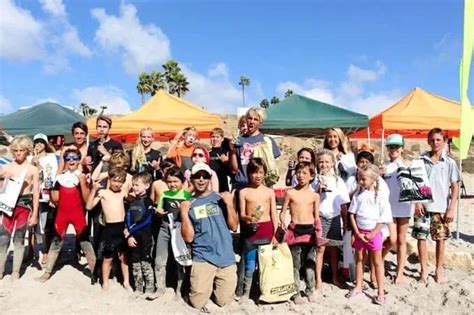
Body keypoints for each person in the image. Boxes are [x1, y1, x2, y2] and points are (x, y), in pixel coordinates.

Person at [180, 163, 238, 311]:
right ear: (191, 179)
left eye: (205, 177)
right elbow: (188, 238)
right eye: (197, 176)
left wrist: (230, 205)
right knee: (197, 303)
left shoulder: (220, 198)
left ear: (209, 179)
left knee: (223, 301)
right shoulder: (189, 204)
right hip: (203, 256)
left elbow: (234, 226)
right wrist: (184, 214)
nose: (201, 180)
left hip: (225, 256)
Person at [35, 148, 96, 283]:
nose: (71, 161)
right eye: (68, 158)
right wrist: (50, 189)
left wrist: (82, 183)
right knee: (56, 242)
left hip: (78, 215)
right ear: (65, 161)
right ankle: (47, 272)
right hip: (62, 214)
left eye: (74, 158)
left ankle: (94, 272)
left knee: (85, 243)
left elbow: (87, 200)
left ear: (79, 160)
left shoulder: (83, 177)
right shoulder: (60, 178)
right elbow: (55, 200)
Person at [412, 128, 460, 284]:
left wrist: (451, 208)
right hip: (423, 206)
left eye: (438, 140)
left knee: (440, 239)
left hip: (441, 207)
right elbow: (416, 183)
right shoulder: (420, 161)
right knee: (421, 238)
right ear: (428, 141)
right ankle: (424, 271)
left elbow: (455, 187)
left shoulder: (450, 163)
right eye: (432, 140)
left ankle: (439, 270)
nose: (435, 143)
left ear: (444, 141)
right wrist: (418, 201)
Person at [347, 164, 392, 305]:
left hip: (374, 234)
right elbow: (352, 214)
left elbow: (384, 217)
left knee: (377, 262)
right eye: (359, 178)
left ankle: (380, 291)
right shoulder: (358, 195)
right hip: (360, 233)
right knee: (359, 259)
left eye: (364, 179)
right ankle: (358, 285)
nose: (361, 182)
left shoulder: (380, 196)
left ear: (373, 179)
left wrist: (374, 232)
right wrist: (356, 232)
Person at [237, 158, 278, 301]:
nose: (258, 176)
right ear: (248, 174)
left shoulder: (269, 192)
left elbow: (274, 214)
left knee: (265, 264)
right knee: (250, 263)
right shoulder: (244, 192)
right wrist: (249, 218)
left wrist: (276, 234)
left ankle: (264, 291)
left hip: (267, 230)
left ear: (265, 173)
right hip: (252, 232)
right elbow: (241, 214)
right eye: (254, 172)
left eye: (260, 172)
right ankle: (246, 292)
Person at [279, 161, 320, 304]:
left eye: (304, 173)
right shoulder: (290, 192)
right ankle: (296, 292)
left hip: (309, 230)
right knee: (295, 264)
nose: (301, 176)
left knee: (310, 263)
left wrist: (318, 232)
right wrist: (282, 222)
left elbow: (316, 217)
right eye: (298, 173)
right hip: (294, 229)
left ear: (311, 176)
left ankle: (310, 289)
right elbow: (283, 211)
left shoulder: (314, 195)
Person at [0, 136, 39, 280]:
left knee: (19, 238)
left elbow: (36, 192)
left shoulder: (32, 169)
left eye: (21, 150)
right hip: (8, 205)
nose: (18, 153)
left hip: (24, 205)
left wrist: (35, 214)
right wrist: (3, 178)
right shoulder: (7, 167)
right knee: (3, 238)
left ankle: (16, 270)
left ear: (27, 150)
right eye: (15, 150)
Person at [86, 168, 130, 291]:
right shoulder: (103, 193)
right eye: (115, 180)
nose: (117, 184)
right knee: (108, 258)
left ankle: (126, 282)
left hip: (122, 227)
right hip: (109, 228)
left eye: (120, 181)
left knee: (123, 257)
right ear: (109, 180)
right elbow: (89, 206)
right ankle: (105, 282)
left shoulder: (123, 193)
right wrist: (94, 190)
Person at [152, 167, 192, 298]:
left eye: (176, 181)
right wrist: (158, 213)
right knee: (160, 259)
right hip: (165, 228)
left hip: (180, 230)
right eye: (169, 181)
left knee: (180, 260)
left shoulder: (187, 196)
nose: (173, 184)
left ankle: (179, 290)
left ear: (182, 182)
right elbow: (159, 210)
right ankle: (160, 288)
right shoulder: (164, 194)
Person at [315, 149, 350, 287]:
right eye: (321, 162)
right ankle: (318, 279)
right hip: (320, 216)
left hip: (335, 217)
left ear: (333, 163)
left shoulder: (338, 181)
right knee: (320, 248)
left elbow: (343, 203)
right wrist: (318, 189)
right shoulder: (315, 179)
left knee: (334, 249)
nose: (324, 164)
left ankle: (335, 277)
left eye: (327, 162)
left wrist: (345, 220)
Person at [380, 134, 412, 284]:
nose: (393, 149)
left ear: (402, 149)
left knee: (401, 240)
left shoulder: (408, 165)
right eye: (391, 147)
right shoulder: (384, 166)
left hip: (404, 207)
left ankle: (399, 273)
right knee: (391, 238)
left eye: (396, 147)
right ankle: (379, 260)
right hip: (389, 208)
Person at [230, 107, 281, 189]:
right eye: (250, 118)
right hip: (243, 185)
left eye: (255, 119)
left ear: (260, 122)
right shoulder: (238, 140)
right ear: (246, 119)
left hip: (262, 187)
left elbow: (272, 165)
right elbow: (235, 168)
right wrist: (232, 151)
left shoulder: (267, 141)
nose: (252, 122)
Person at [28, 133, 58, 266]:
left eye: (41, 142)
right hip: (31, 195)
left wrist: (39, 168)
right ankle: (30, 251)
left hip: (45, 196)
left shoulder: (51, 158)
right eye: (37, 142)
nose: (39, 144)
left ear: (46, 144)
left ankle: (45, 251)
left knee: (45, 225)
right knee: (31, 225)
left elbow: (52, 176)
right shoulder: (29, 158)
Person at [124, 173, 155, 297]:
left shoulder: (148, 201)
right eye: (133, 185)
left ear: (147, 186)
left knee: (145, 261)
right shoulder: (132, 202)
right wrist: (129, 234)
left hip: (145, 236)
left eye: (137, 185)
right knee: (135, 262)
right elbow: (128, 217)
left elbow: (147, 220)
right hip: (133, 237)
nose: (134, 187)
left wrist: (130, 230)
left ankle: (149, 287)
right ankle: (138, 287)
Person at [209, 127, 231, 192]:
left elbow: (231, 171)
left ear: (222, 139)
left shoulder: (226, 153)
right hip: (211, 186)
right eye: (213, 137)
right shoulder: (207, 153)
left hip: (223, 186)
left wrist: (226, 162)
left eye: (217, 137)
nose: (215, 139)